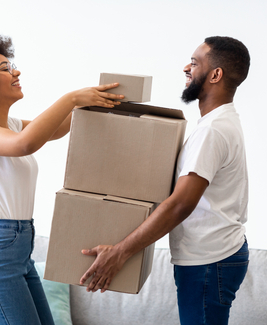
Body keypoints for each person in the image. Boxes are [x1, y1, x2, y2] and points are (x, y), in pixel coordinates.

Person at [0, 30, 124, 325]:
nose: (16, 71)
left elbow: (57, 129)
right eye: (5, 69)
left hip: (18, 248)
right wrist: (71, 97)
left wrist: (89, 102)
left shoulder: (12, 124)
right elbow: (24, 144)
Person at [80, 36, 250, 325]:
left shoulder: (213, 131)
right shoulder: (217, 123)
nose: (186, 67)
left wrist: (120, 253)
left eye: (195, 63)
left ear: (215, 74)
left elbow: (181, 204)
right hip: (212, 257)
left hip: (210, 261)